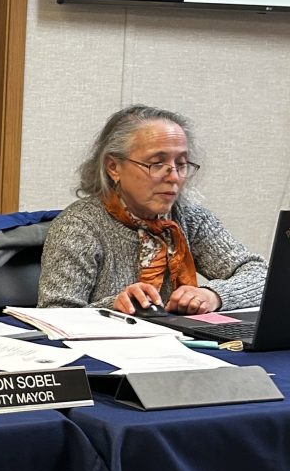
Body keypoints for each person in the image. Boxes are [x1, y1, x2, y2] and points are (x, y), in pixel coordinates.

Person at [38, 104, 266, 314]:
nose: (174, 177)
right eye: (157, 164)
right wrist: (115, 306)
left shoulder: (189, 218)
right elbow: (55, 314)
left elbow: (262, 275)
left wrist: (213, 295)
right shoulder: (79, 226)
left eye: (181, 164)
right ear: (113, 167)